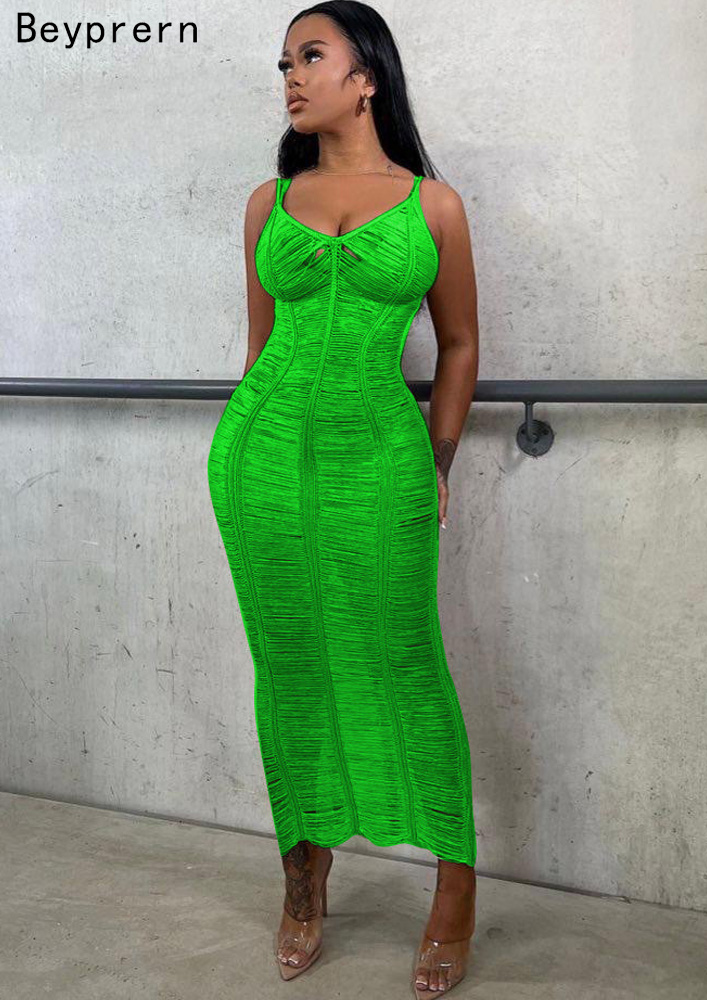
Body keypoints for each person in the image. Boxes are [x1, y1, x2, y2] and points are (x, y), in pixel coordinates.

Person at [206, 2, 480, 995]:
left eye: (311, 56)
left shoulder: (434, 207)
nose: (291, 75)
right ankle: (303, 871)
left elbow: (460, 346)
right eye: (285, 61)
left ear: (367, 78)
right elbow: (258, 349)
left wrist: (438, 462)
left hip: (383, 457)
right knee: (288, 663)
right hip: (263, 458)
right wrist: (243, 450)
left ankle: (456, 887)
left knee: (406, 659)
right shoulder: (267, 202)